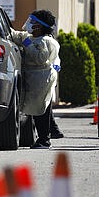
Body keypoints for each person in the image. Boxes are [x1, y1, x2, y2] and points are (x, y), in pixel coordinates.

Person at [11, 9, 61, 148]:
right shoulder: (32, 38)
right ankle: (49, 134)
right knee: (39, 109)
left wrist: (27, 43)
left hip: (41, 79)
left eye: (31, 22)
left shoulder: (46, 41)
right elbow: (17, 35)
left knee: (41, 111)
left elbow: (40, 58)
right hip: (34, 78)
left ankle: (44, 140)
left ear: (38, 26)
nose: (28, 24)